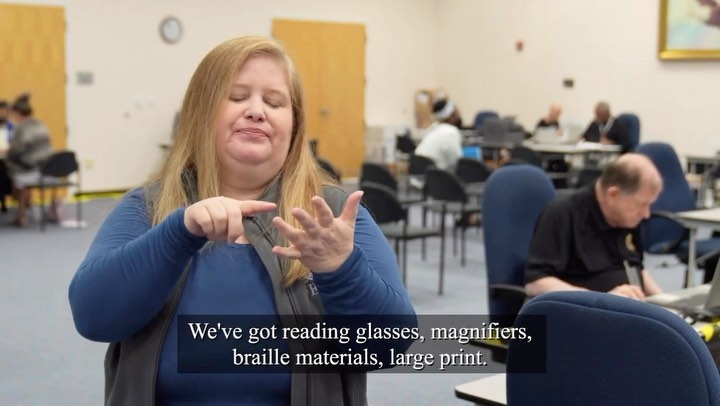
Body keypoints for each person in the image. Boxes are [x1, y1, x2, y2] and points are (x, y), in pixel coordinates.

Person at [68, 36, 416, 405]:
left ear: (294, 125)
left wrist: (340, 270)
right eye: (236, 97)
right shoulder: (149, 206)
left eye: (275, 102)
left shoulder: (331, 213)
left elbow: (388, 347)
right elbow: (93, 318)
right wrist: (178, 233)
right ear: (200, 113)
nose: (256, 111)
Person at [525, 153, 664, 300]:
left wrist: (665, 302)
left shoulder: (628, 217)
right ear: (613, 194)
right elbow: (535, 283)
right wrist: (599, 300)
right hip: (582, 310)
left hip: (631, 306)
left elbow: (637, 268)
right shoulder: (562, 214)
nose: (646, 214)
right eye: (642, 204)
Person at [5, 93, 56, 226]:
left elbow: (15, 152)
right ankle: (28, 207)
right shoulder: (41, 124)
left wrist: (6, 156)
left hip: (31, 170)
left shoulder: (21, 128)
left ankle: (22, 214)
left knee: (10, 173)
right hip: (46, 169)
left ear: (17, 113)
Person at [413, 98, 463, 171]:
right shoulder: (451, 131)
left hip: (418, 171)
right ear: (450, 115)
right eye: (456, 113)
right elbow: (456, 162)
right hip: (436, 174)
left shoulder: (432, 128)